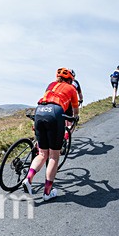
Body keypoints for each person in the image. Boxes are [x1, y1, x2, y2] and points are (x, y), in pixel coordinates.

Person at [22, 68, 80, 201]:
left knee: (42, 153)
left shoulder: (51, 85)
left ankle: (28, 178)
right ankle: (47, 192)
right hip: (55, 112)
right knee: (54, 156)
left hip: (40, 110)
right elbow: (75, 110)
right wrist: (75, 118)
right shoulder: (71, 89)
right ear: (71, 80)